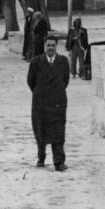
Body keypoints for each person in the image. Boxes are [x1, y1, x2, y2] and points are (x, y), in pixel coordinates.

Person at [27, 37, 70, 170]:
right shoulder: (36, 62)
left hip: (58, 102)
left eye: (53, 45)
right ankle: (41, 157)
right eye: (48, 45)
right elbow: (31, 81)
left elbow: (65, 80)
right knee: (41, 130)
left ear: (56, 47)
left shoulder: (63, 61)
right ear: (44, 46)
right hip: (41, 103)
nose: (50, 48)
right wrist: (41, 93)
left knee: (58, 132)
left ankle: (59, 161)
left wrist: (56, 91)